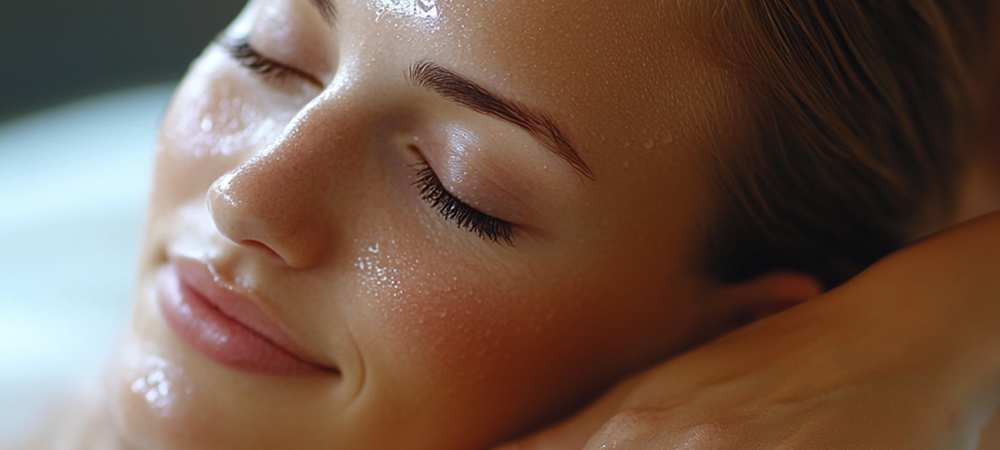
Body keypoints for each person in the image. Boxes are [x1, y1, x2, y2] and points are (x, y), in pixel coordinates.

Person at [27, 0, 1000, 448]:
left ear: (747, 341)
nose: (248, 195)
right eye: (270, 54)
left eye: (458, 189)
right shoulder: (55, 221)